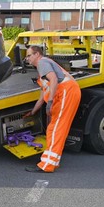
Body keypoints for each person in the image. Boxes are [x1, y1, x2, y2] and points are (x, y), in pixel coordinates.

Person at [22, 45, 81, 173]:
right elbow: (42, 96)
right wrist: (33, 111)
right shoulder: (42, 71)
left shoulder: (42, 62)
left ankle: (47, 165)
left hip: (66, 92)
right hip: (67, 93)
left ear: (37, 54)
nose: (27, 59)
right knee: (54, 129)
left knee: (56, 129)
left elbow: (54, 79)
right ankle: (51, 162)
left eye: (29, 55)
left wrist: (50, 102)